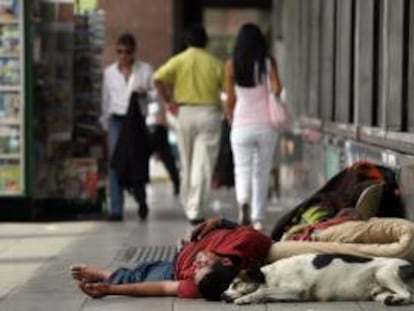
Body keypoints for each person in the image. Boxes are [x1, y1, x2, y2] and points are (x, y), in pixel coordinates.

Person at [70, 217, 271, 299]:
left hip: (173, 269)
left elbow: (164, 287)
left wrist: (110, 290)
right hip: (187, 248)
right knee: (140, 270)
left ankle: (104, 275)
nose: (196, 266)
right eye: (202, 264)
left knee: (138, 276)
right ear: (226, 261)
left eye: (196, 271)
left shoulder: (203, 285)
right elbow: (249, 231)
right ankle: (111, 275)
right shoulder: (248, 243)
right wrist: (217, 221)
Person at [153, 24, 224, 225]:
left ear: (187, 41)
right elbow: (226, 89)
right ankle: (195, 207)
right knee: (203, 164)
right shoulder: (215, 63)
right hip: (209, 113)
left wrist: (169, 100)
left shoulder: (179, 60)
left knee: (186, 161)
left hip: (184, 112)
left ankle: (188, 203)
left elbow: (157, 78)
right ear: (206, 41)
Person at [224, 23, 282, 231]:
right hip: (265, 125)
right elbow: (277, 88)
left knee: (241, 169)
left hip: (241, 124)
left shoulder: (232, 65)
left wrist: (229, 116)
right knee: (261, 171)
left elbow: (230, 98)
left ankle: (243, 202)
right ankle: (257, 219)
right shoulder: (267, 63)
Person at [101, 33, 154, 221]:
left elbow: (155, 95)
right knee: (116, 163)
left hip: (136, 122)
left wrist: (144, 93)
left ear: (134, 52)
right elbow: (106, 99)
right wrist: (104, 124)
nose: (123, 56)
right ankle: (116, 208)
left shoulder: (145, 70)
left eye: (127, 52)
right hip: (116, 120)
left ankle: (141, 199)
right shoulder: (109, 73)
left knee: (136, 162)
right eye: (120, 52)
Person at [146, 100, 180, 196]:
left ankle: (177, 182)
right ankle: (177, 182)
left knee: (167, 158)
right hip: (151, 125)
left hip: (159, 127)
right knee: (167, 158)